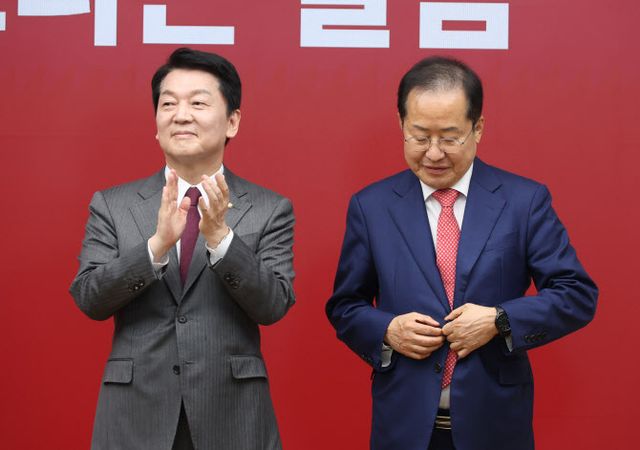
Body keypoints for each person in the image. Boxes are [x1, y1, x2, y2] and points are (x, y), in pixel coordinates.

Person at [325, 56, 597, 450]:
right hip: (404, 427)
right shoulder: (372, 206)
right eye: (420, 137)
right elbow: (345, 307)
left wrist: (500, 320)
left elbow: (576, 294)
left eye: (450, 138)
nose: (434, 153)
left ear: (477, 128)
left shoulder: (523, 202)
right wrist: (387, 330)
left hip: (496, 427)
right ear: (401, 125)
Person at [70, 48, 295, 450]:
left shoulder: (269, 208)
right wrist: (156, 246)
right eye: (168, 104)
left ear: (232, 121)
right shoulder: (113, 205)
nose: (181, 115)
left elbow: (274, 305)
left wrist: (221, 239)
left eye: (198, 103)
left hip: (232, 415)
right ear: (156, 124)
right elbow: (89, 298)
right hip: (135, 417)